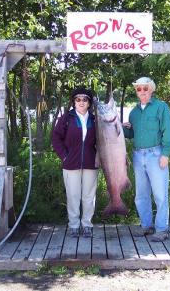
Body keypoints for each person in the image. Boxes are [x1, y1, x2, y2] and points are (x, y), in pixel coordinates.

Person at [122, 77, 170, 242]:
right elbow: (131, 135)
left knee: (160, 194)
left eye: (145, 88)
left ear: (151, 89)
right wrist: (123, 128)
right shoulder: (134, 112)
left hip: (156, 154)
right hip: (138, 155)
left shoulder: (161, 107)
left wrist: (165, 154)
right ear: (136, 91)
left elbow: (168, 131)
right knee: (141, 194)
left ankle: (161, 229)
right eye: (139, 89)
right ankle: (146, 225)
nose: (142, 91)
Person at [52, 87, 98, 238]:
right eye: (78, 99)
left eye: (85, 99)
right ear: (73, 102)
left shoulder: (95, 119)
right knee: (73, 195)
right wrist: (65, 156)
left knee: (89, 196)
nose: (81, 102)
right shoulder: (66, 118)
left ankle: (87, 225)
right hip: (71, 164)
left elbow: (106, 137)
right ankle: (73, 225)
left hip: (91, 163)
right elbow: (56, 138)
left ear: (89, 103)